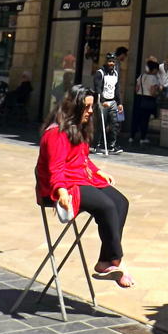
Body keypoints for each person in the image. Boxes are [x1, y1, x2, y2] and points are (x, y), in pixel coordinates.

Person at [35, 85, 134, 287]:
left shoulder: (79, 128)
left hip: (80, 177)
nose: (90, 111)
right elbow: (56, 167)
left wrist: (98, 171)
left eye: (91, 107)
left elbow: (83, 158)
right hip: (61, 185)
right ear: (74, 107)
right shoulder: (56, 133)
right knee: (106, 206)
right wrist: (60, 190)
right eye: (86, 107)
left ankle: (106, 261)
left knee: (120, 202)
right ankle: (116, 260)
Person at [92, 52, 123, 154]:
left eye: (113, 61)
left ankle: (112, 145)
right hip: (103, 102)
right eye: (110, 61)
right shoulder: (100, 73)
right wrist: (102, 101)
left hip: (113, 101)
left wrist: (119, 103)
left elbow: (117, 89)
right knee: (102, 124)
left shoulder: (115, 73)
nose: (111, 63)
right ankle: (98, 145)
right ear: (106, 61)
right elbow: (97, 88)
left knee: (115, 124)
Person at [130, 57, 160, 144]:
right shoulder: (154, 79)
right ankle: (142, 138)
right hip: (148, 100)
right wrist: (158, 93)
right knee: (145, 119)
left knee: (136, 118)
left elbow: (136, 89)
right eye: (156, 70)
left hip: (139, 99)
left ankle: (132, 137)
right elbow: (152, 92)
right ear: (154, 69)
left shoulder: (141, 76)